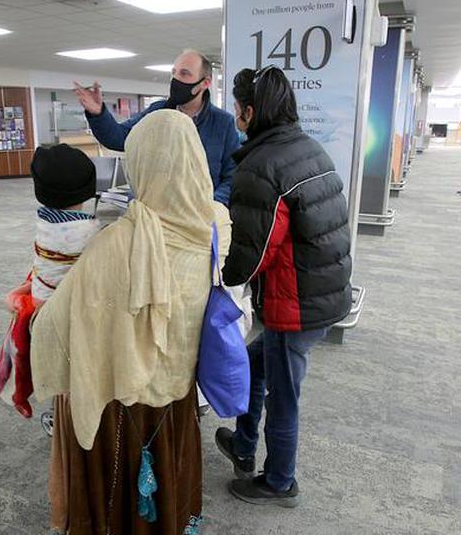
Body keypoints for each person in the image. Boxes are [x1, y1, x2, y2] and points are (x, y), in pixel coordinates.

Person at [30, 110, 231, 534]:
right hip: (179, 390)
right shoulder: (216, 222)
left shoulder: (122, 242)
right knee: (169, 480)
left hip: (124, 397)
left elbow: (55, 327)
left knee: (121, 493)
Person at [215, 67, 352, 507]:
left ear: (251, 112)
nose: (236, 117)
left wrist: (220, 275)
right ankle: (243, 443)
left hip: (296, 305)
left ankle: (279, 482)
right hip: (324, 291)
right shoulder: (307, 148)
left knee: (284, 395)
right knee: (254, 365)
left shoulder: (261, 165)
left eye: (237, 109)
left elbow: (254, 254)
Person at [0, 144, 100, 418]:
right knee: (72, 368)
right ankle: (69, 416)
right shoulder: (88, 232)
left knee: (58, 367)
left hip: (41, 302)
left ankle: (61, 409)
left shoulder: (45, 221)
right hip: (65, 313)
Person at [73, 49, 239, 205]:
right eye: (174, 72)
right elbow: (119, 138)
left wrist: (211, 208)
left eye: (184, 74)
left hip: (201, 218)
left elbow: (232, 177)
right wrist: (98, 114)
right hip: (157, 214)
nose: (176, 79)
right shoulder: (157, 112)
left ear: (205, 83)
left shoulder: (223, 123)